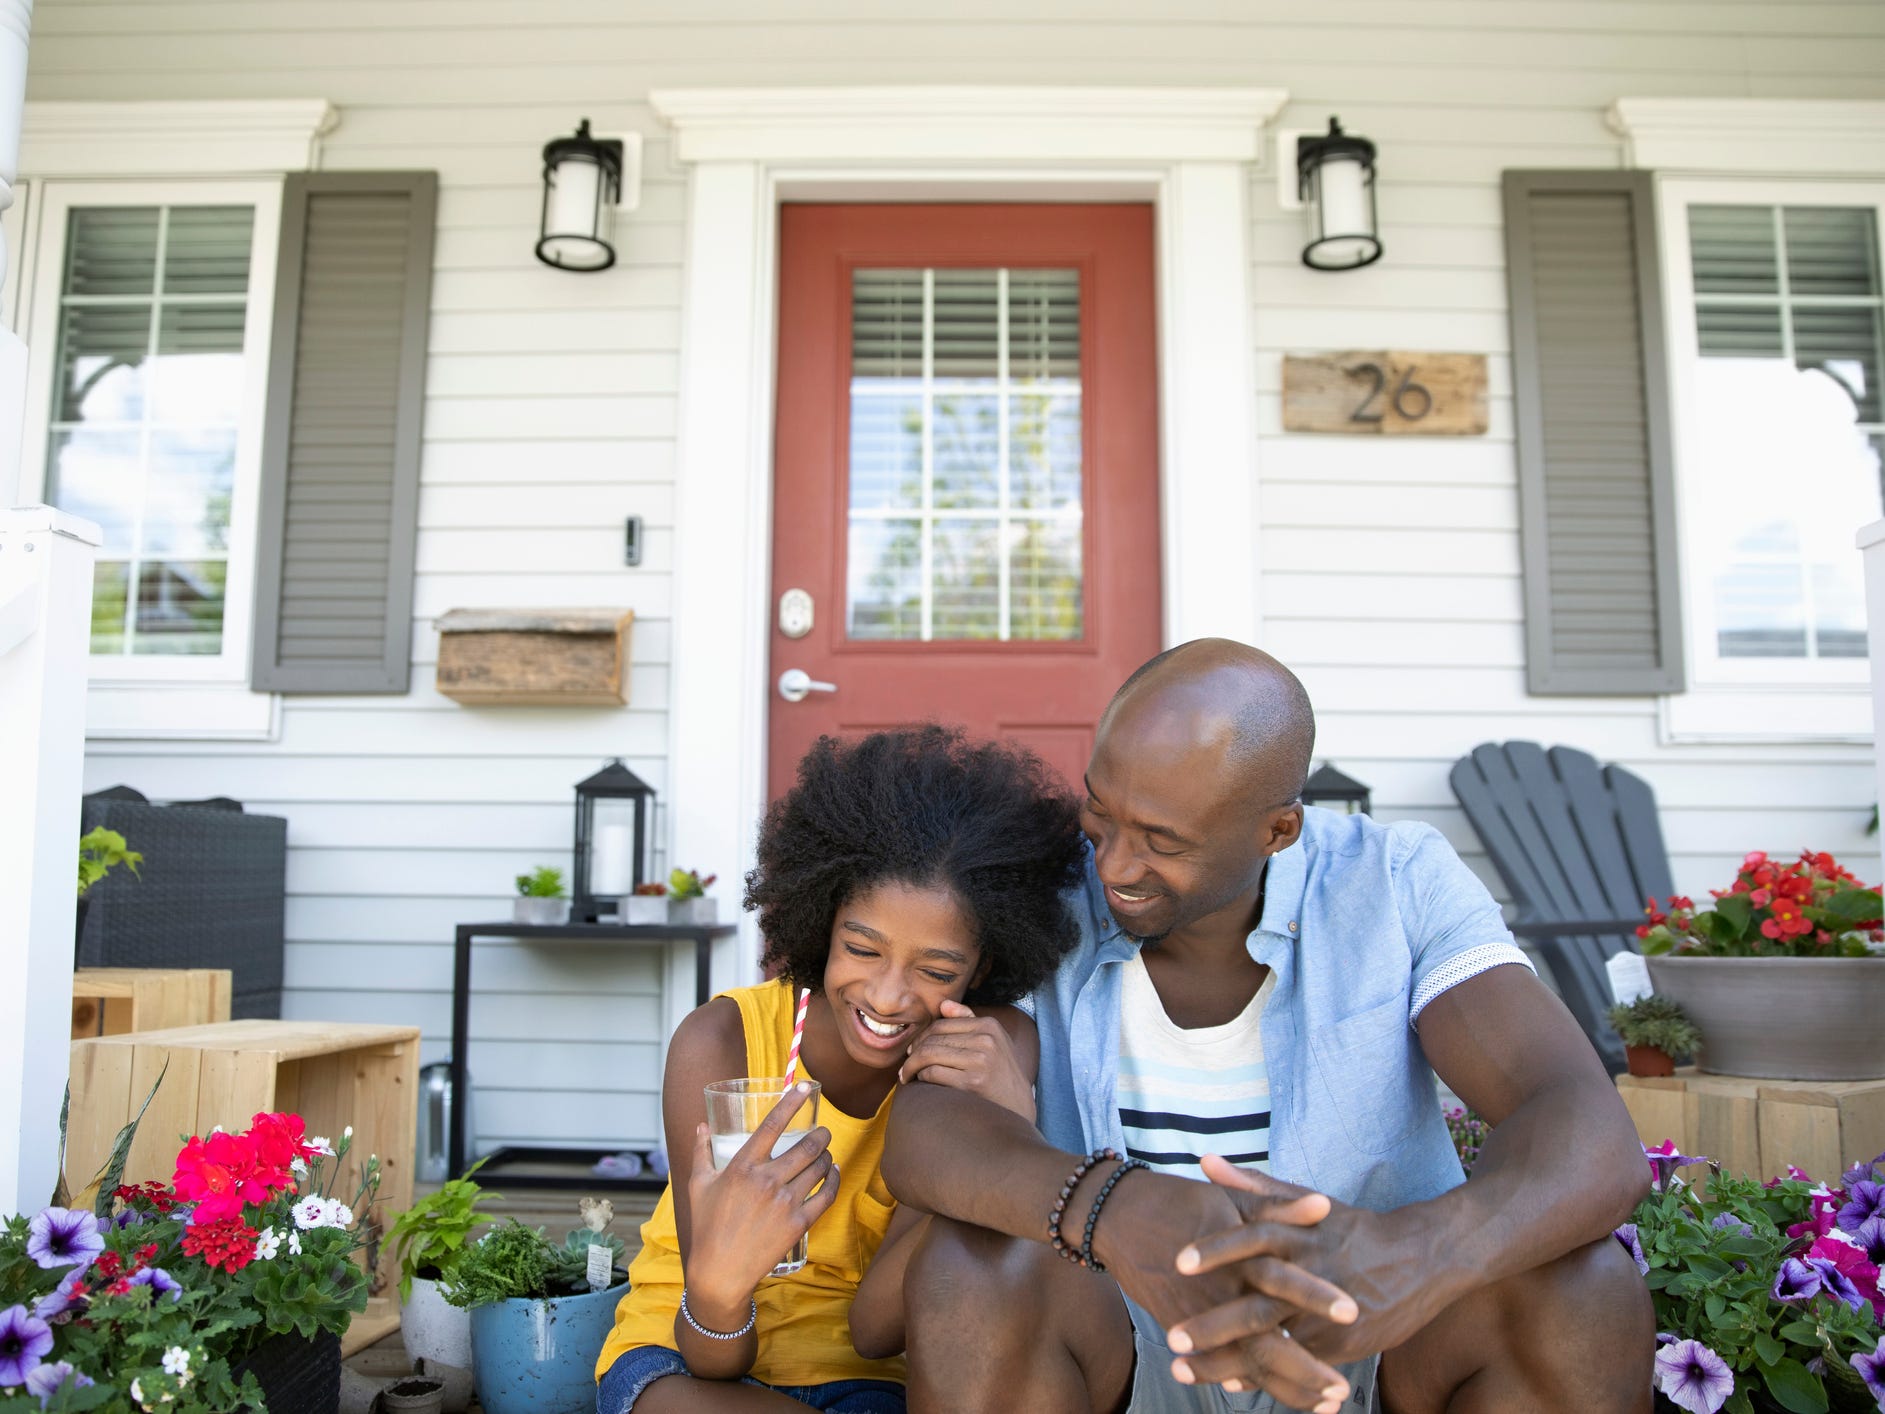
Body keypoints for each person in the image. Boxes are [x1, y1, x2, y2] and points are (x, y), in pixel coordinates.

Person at [881, 639, 1657, 1414]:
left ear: (1277, 831)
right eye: (1100, 812)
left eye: (1162, 840)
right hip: (1124, 1352)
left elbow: (1583, 1127)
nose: (1113, 866)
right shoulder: (1043, 890)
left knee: (1579, 1285)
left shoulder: (1394, 881)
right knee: (976, 1266)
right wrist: (1112, 1207)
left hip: (1370, 1339)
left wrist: (1411, 1255)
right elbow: (931, 1129)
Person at [595, 725, 1085, 1413]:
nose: (887, 997)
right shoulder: (721, 1042)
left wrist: (1002, 1135)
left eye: (937, 970)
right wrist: (723, 1281)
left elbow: (875, 1326)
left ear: (986, 966)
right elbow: (711, 1352)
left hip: (868, 1378)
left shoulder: (986, 1052)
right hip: (684, 1359)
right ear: (822, 921)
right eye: (862, 949)